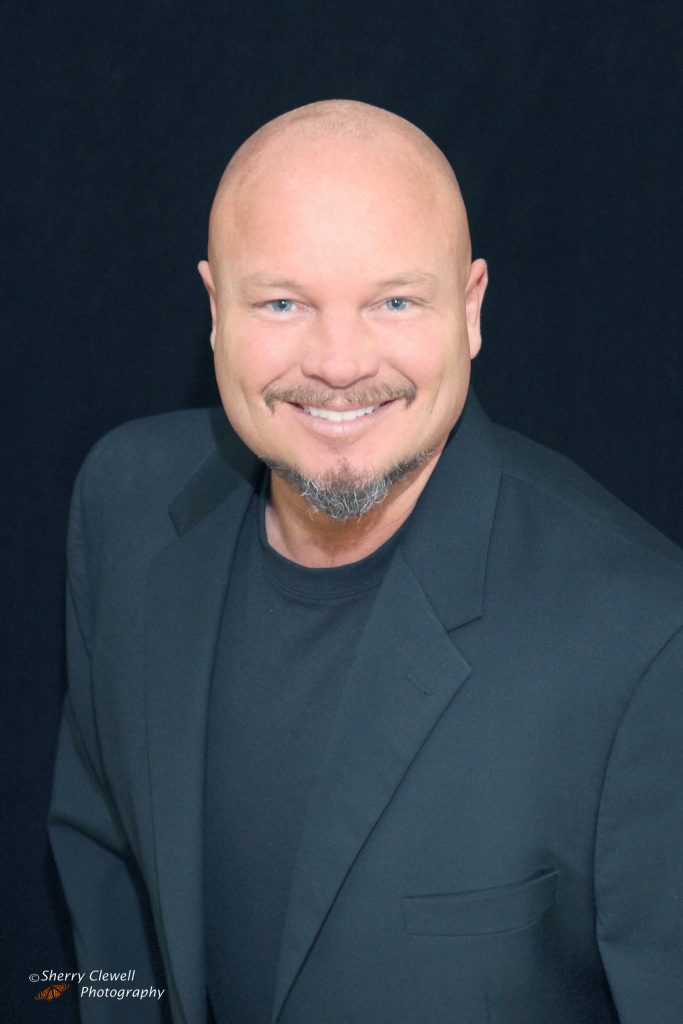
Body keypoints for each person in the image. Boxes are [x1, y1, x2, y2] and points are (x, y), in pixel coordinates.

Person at [49, 100, 683, 1024]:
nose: (339, 363)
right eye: (281, 302)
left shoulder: (645, 642)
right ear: (214, 311)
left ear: (469, 311)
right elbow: (101, 866)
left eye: (393, 300)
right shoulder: (125, 503)